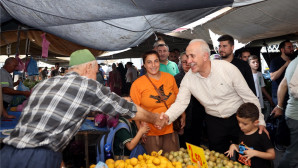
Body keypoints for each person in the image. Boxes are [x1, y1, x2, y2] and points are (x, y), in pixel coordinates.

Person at [0, 49, 168, 168]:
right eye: (95, 72)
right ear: (88, 68)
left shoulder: (43, 84)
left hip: (7, 154)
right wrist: (155, 119)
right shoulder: (87, 85)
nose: (96, 78)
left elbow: (45, 128)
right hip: (38, 158)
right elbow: (127, 108)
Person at [163, 39, 266, 153]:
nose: (188, 61)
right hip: (214, 123)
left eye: (192, 56)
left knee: (244, 153)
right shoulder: (188, 78)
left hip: (238, 119)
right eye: (187, 56)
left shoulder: (227, 68)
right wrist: (167, 117)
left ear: (205, 56)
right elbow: (181, 103)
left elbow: (249, 97)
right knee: (219, 157)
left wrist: (260, 121)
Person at [130, 50, 180, 154]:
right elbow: (135, 111)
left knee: (173, 162)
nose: (153, 65)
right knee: (154, 163)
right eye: (149, 62)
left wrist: (182, 115)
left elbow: (178, 99)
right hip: (150, 132)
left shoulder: (170, 78)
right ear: (144, 64)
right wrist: (141, 131)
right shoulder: (137, 84)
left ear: (159, 62)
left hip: (170, 128)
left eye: (156, 61)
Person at [225, 103, 275, 168]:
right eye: (239, 122)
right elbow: (243, 148)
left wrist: (255, 153)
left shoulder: (261, 135)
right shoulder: (242, 131)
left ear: (255, 122)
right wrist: (234, 146)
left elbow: (272, 155)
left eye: (245, 124)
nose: (240, 126)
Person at [174, 52, 205, 148]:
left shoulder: (201, 77)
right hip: (183, 118)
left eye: (189, 62)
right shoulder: (176, 79)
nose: (187, 64)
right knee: (183, 146)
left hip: (198, 117)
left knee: (196, 144)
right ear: (180, 63)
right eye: (184, 62)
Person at [271, 57, 298, 168]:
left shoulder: (294, 62)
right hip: (296, 117)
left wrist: (279, 106)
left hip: (293, 115)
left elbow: (283, 84)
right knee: (293, 155)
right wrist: (279, 106)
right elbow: (294, 90)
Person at [269, 40, 295, 150]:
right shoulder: (275, 61)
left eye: (292, 47)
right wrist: (285, 65)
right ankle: (278, 142)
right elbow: (273, 77)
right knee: (281, 118)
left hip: (291, 93)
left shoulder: (294, 60)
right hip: (278, 95)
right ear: (282, 50)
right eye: (289, 47)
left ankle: (288, 141)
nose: (292, 49)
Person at [248, 55, 274, 120]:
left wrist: (270, 98)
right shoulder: (247, 75)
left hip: (260, 100)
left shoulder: (259, 74)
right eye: (253, 62)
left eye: (257, 62)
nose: (256, 63)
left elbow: (262, 87)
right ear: (249, 64)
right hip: (251, 100)